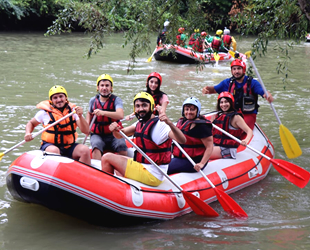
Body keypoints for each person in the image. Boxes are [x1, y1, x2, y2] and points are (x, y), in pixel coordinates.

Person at [101, 92, 186, 187]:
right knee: (117, 164)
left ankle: (107, 188)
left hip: (152, 174)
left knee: (106, 158)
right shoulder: (140, 123)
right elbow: (120, 135)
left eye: (144, 105)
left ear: (152, 106)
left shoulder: (161, 125)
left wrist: (169, 123)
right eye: (137, 106)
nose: (140, 109)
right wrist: (115, 130)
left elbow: (182, 140)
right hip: (145, 167)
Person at [24, 85, 91, 165]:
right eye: (55, 98)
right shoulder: (44, 113)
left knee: (85, 150)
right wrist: (28, 133)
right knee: (54, 151)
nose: (59, 100)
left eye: (61, 96)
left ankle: (81, 175)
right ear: (51, 100)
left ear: (66, 98)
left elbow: (86, 131)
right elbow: (31, 123)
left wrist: (80, 116)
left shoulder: (74, 111)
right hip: (50, 146)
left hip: (69, 146)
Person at [202, 58, 274, 129]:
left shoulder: (252, 83)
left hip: (248, 115)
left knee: (239, 128)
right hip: (231, 113)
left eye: (239, 68)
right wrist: (207, 88)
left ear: (244, 70)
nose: (236, 71)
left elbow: (263, 92)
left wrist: (268, 95)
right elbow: (214, 89)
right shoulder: (227, 83)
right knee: (213, 121)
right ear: (231, 71)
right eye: (234, 69)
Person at [86, 74, 127, 160]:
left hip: (114, 134)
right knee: (96, 145)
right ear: (98, 87)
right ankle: (97, 170)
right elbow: (89, 114)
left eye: (107, 85)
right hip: (98, 134)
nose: (104, 88)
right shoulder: (93, 100)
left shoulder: (116, 100)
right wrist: (87, 128)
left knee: (121, 145)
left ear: (111, 88)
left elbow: (120, 115)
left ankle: (122, 169)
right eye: (102, 85)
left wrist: (103, 113)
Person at [168, 97, 213, 175]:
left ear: (197, 111)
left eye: (192, 109)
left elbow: (209, 147)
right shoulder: (181, 122)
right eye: (187, 109)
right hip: (180, 157)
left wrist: (201, 163)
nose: (189, 112)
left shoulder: (202, 126)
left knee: (166, 167)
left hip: (194, 161)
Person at [210, 92, 253, 159]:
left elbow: (249, 131)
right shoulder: (216, 116)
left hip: (228, 148)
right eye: (221, 102)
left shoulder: (236, 117)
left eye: (226, 102)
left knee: (202, 152)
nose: (223, 104)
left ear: (231, 103)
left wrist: (246, 140)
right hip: (216, 144)